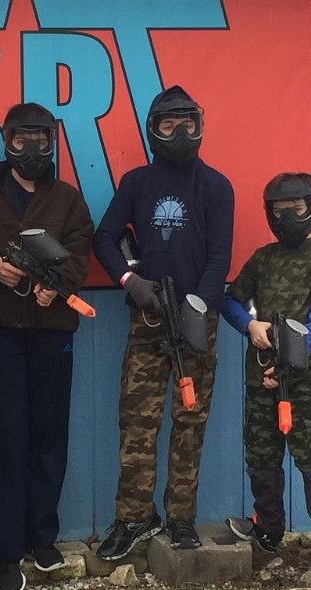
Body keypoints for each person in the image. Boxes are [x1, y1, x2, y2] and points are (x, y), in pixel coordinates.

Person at [0, 103, 93, 590]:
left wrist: (57, 285)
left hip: (52, 332)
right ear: (6, 141)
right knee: (6, 439)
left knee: (49, 435)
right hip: (0, 333)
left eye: (41, 139)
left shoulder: (68, 198)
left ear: (53, 142)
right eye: (22, 138)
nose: (31, 148)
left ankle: (41, 539)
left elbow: (80, 250)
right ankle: (7, 552)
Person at [92, 85, 234, 557]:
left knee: (190, 421)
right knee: (138, 422)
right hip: (147, 321)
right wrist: (132, 283)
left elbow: (220, 258)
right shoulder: (136, 183)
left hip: (197, 321)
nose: (180, 133)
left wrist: (198, 307)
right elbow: (104, 239)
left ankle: (181, 519)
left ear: (200, 126)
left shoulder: (216, 186)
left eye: (187, 124)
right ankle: (135, 519)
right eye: (169, 125)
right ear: (153, 130)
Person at [221, 172, 311, 574]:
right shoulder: (264, 258)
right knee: (262, 458)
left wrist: (289, 363)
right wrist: (250, 325)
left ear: (310, 207)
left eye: (295, 209)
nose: (288, 218)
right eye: (279, 211)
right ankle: (267, 529)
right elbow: (230, 301)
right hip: (260, 378)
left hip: (303, 382)